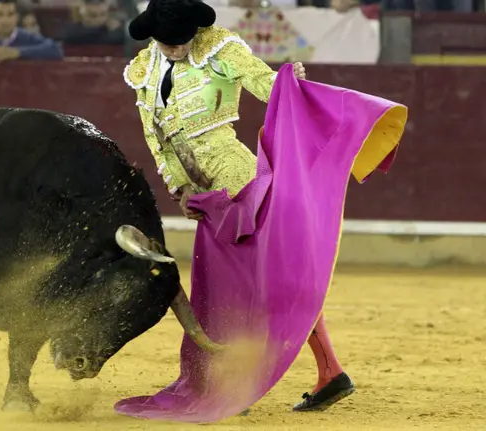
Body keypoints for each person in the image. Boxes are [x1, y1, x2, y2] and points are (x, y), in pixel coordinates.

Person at [119, 0, 355, 415]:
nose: (175, 49)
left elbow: (262, 82)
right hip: (204, 195)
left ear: (196, 30)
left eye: (182, 40)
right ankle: (250, 378)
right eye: (167, 42)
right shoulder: (144, 68)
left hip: (239, 180)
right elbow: (157, 136)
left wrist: (288, 83)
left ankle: (327, 372)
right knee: (224, 288)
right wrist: (180, 190)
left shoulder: (219, 49)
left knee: (271, 281)